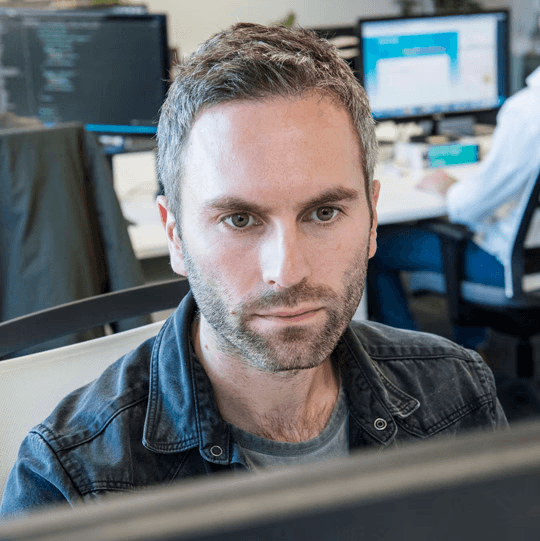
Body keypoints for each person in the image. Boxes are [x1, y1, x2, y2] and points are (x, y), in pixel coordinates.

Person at [0, 23, 508, 518]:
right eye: (239, 220)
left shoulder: (457, 395)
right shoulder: (69, 483)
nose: (287, 272)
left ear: (372, 219)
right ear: (175, 234)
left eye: (324, 213)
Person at [369, 65, 540, 349]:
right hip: (530, 260)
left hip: (511, 269)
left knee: (377, 247)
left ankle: (406, 362)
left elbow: (467, 208)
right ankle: (474, 351)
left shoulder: (528, 112)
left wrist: (448, 187)